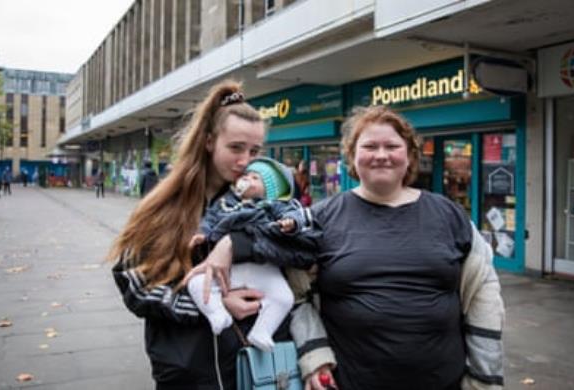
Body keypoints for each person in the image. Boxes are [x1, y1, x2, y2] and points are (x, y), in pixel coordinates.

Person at [196, 105, 505, 390]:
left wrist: (484, 377)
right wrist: (314, 356)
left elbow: (483, 293)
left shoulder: (449, 215)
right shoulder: (321, 217)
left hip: (444, 382)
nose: (381, 155)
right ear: (352, 156)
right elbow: (298, 294)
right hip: (350, 382)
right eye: (369, 146)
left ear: (409, 155)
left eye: (392, 146)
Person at [108, 80, 335, 390]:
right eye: (236, 148)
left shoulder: (266, 203)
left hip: (262, 371)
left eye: (254, 150)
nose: (245, 161)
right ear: (209, 141)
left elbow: (306, 251)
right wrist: (214, 304)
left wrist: (236, 244)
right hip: (189, 373)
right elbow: (134, 284)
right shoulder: (164, 207)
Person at [188, 156, 318, 352]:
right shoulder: (226, 203)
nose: (247, 179)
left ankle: (262, 331)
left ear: (270, 189)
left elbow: (294, 216)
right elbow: (209, 219)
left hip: (263, 270)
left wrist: (290, 223)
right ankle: (216, 314)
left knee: (283, 298)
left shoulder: (272, 206)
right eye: (246, 175)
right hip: (228, 271)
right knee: (197, 283)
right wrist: (202, 234)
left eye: (255, 178)